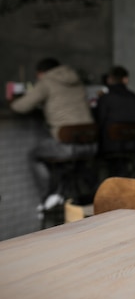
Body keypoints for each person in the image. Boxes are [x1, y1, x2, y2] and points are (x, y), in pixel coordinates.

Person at [9, 57, 95, 210]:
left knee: (34, 155)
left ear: (41, 73)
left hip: (67, 147)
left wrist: (12, 101)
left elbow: (21, 107)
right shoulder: (77, 80)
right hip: (91, 144)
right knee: (68, 166)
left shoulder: (46, 82)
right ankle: (64, 192)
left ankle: (50, 195)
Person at [96, 66, 135, 175]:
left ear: (109, 80)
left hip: (111, 147)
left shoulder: (105, 99)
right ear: (125, 79)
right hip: (134, 144)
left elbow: (100, 121)